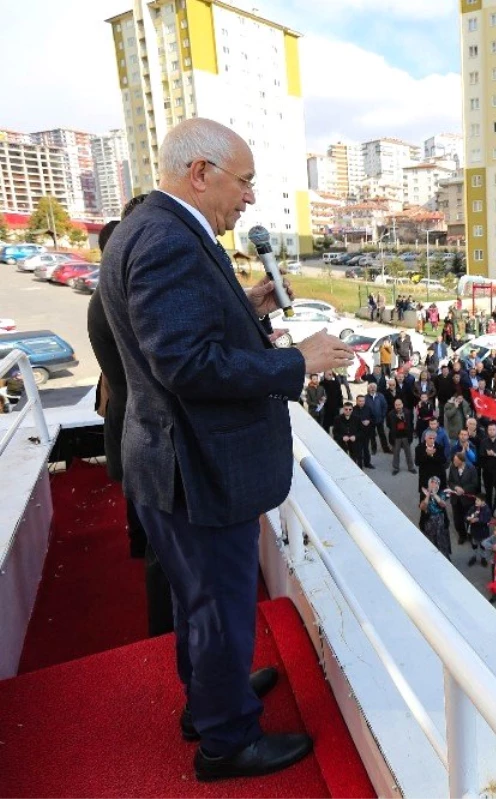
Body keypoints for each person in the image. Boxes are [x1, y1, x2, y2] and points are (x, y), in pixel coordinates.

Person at [98, 118, 356, 780]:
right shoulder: (169, 242)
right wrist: (295, 361)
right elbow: (188, 366)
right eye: (243, 182)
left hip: (177, 462)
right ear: (201, 173)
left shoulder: (158, 229)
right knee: (218, 605)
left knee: (197, 602)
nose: (248, 198)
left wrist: (248, 308)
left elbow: (181, 335)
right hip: (197, 469)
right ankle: (227, 739)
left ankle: (211, 700)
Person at [87, 193, 174, 638]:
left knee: (154, 543)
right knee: (164, 553)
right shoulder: (121, 291)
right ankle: (165, 641)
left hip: (130, 430)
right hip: (143, 435)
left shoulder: (107, 288)